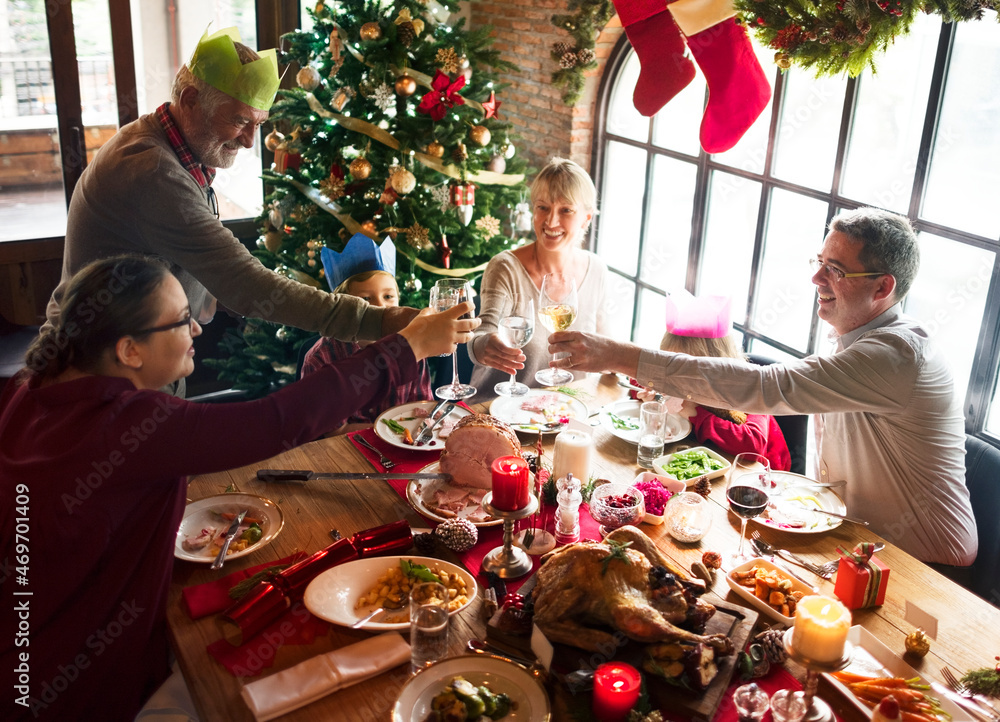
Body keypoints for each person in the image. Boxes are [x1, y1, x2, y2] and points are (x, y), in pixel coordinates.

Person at [0, 255, 477, 722]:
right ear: (129, 350)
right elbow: (276, 422)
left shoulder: (30, 387)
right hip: (63, 679)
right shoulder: (123, 425)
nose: (197, 331)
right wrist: (405, 345)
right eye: (182, 320)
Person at [548, 207, 977, 570]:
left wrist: (622, 356)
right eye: (820, 261)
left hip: (924, 562)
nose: (816, 278)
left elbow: (766, 386)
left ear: (883, 287)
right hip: (856, 542)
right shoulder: (856, 340)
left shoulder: (897, 354)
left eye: (836, 269)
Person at [44, 27, 417, 383]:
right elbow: (244, 283)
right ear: (190, 100)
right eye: (240, 120)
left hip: (126, 362)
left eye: (259, 123)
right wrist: (385, 321)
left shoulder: (167, 144)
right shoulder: (155, 172)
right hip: (101, 371)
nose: (251, 141)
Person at [467, 157, 611, 400]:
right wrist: (485, 346)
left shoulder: (597, 270)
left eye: (566, 210)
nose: (551, 222)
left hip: (565, 413)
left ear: (586, 218)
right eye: (543, 207)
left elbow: (607, 355)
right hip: (497, 412)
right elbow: (481, 338)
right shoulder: (505, 267)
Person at [637, 292, 791, 471]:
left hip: (761, 478)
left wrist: (694, 414)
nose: (676, 376)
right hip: (706, 460)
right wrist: (653, 397)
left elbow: (752, 445)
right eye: (671, 364)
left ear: (716, 366)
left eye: (685, 369)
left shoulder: (750, 387)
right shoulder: (679, 379)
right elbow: (644, 382)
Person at [300, 233, 433, 434]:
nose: (380, 307)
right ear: (344, 306)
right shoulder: (321, 358)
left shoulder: (412, 344)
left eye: (388, 296)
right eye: (365, 300)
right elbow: (331, 430)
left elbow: (421, 408)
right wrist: (388, 433)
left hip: (404, 444)